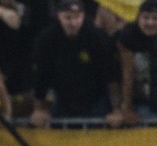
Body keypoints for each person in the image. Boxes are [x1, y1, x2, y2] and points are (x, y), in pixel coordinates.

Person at [29, 0, 119, 128]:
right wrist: (38, 109)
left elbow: (112, 76)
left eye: (77, 17)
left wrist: (116, 110)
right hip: (63, 97)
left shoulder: (97, 37)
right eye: (68, 17)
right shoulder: (47, 39)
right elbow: (41, 77)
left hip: (96, 97)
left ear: (83, 16)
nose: (73, 23)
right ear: (58, 16)